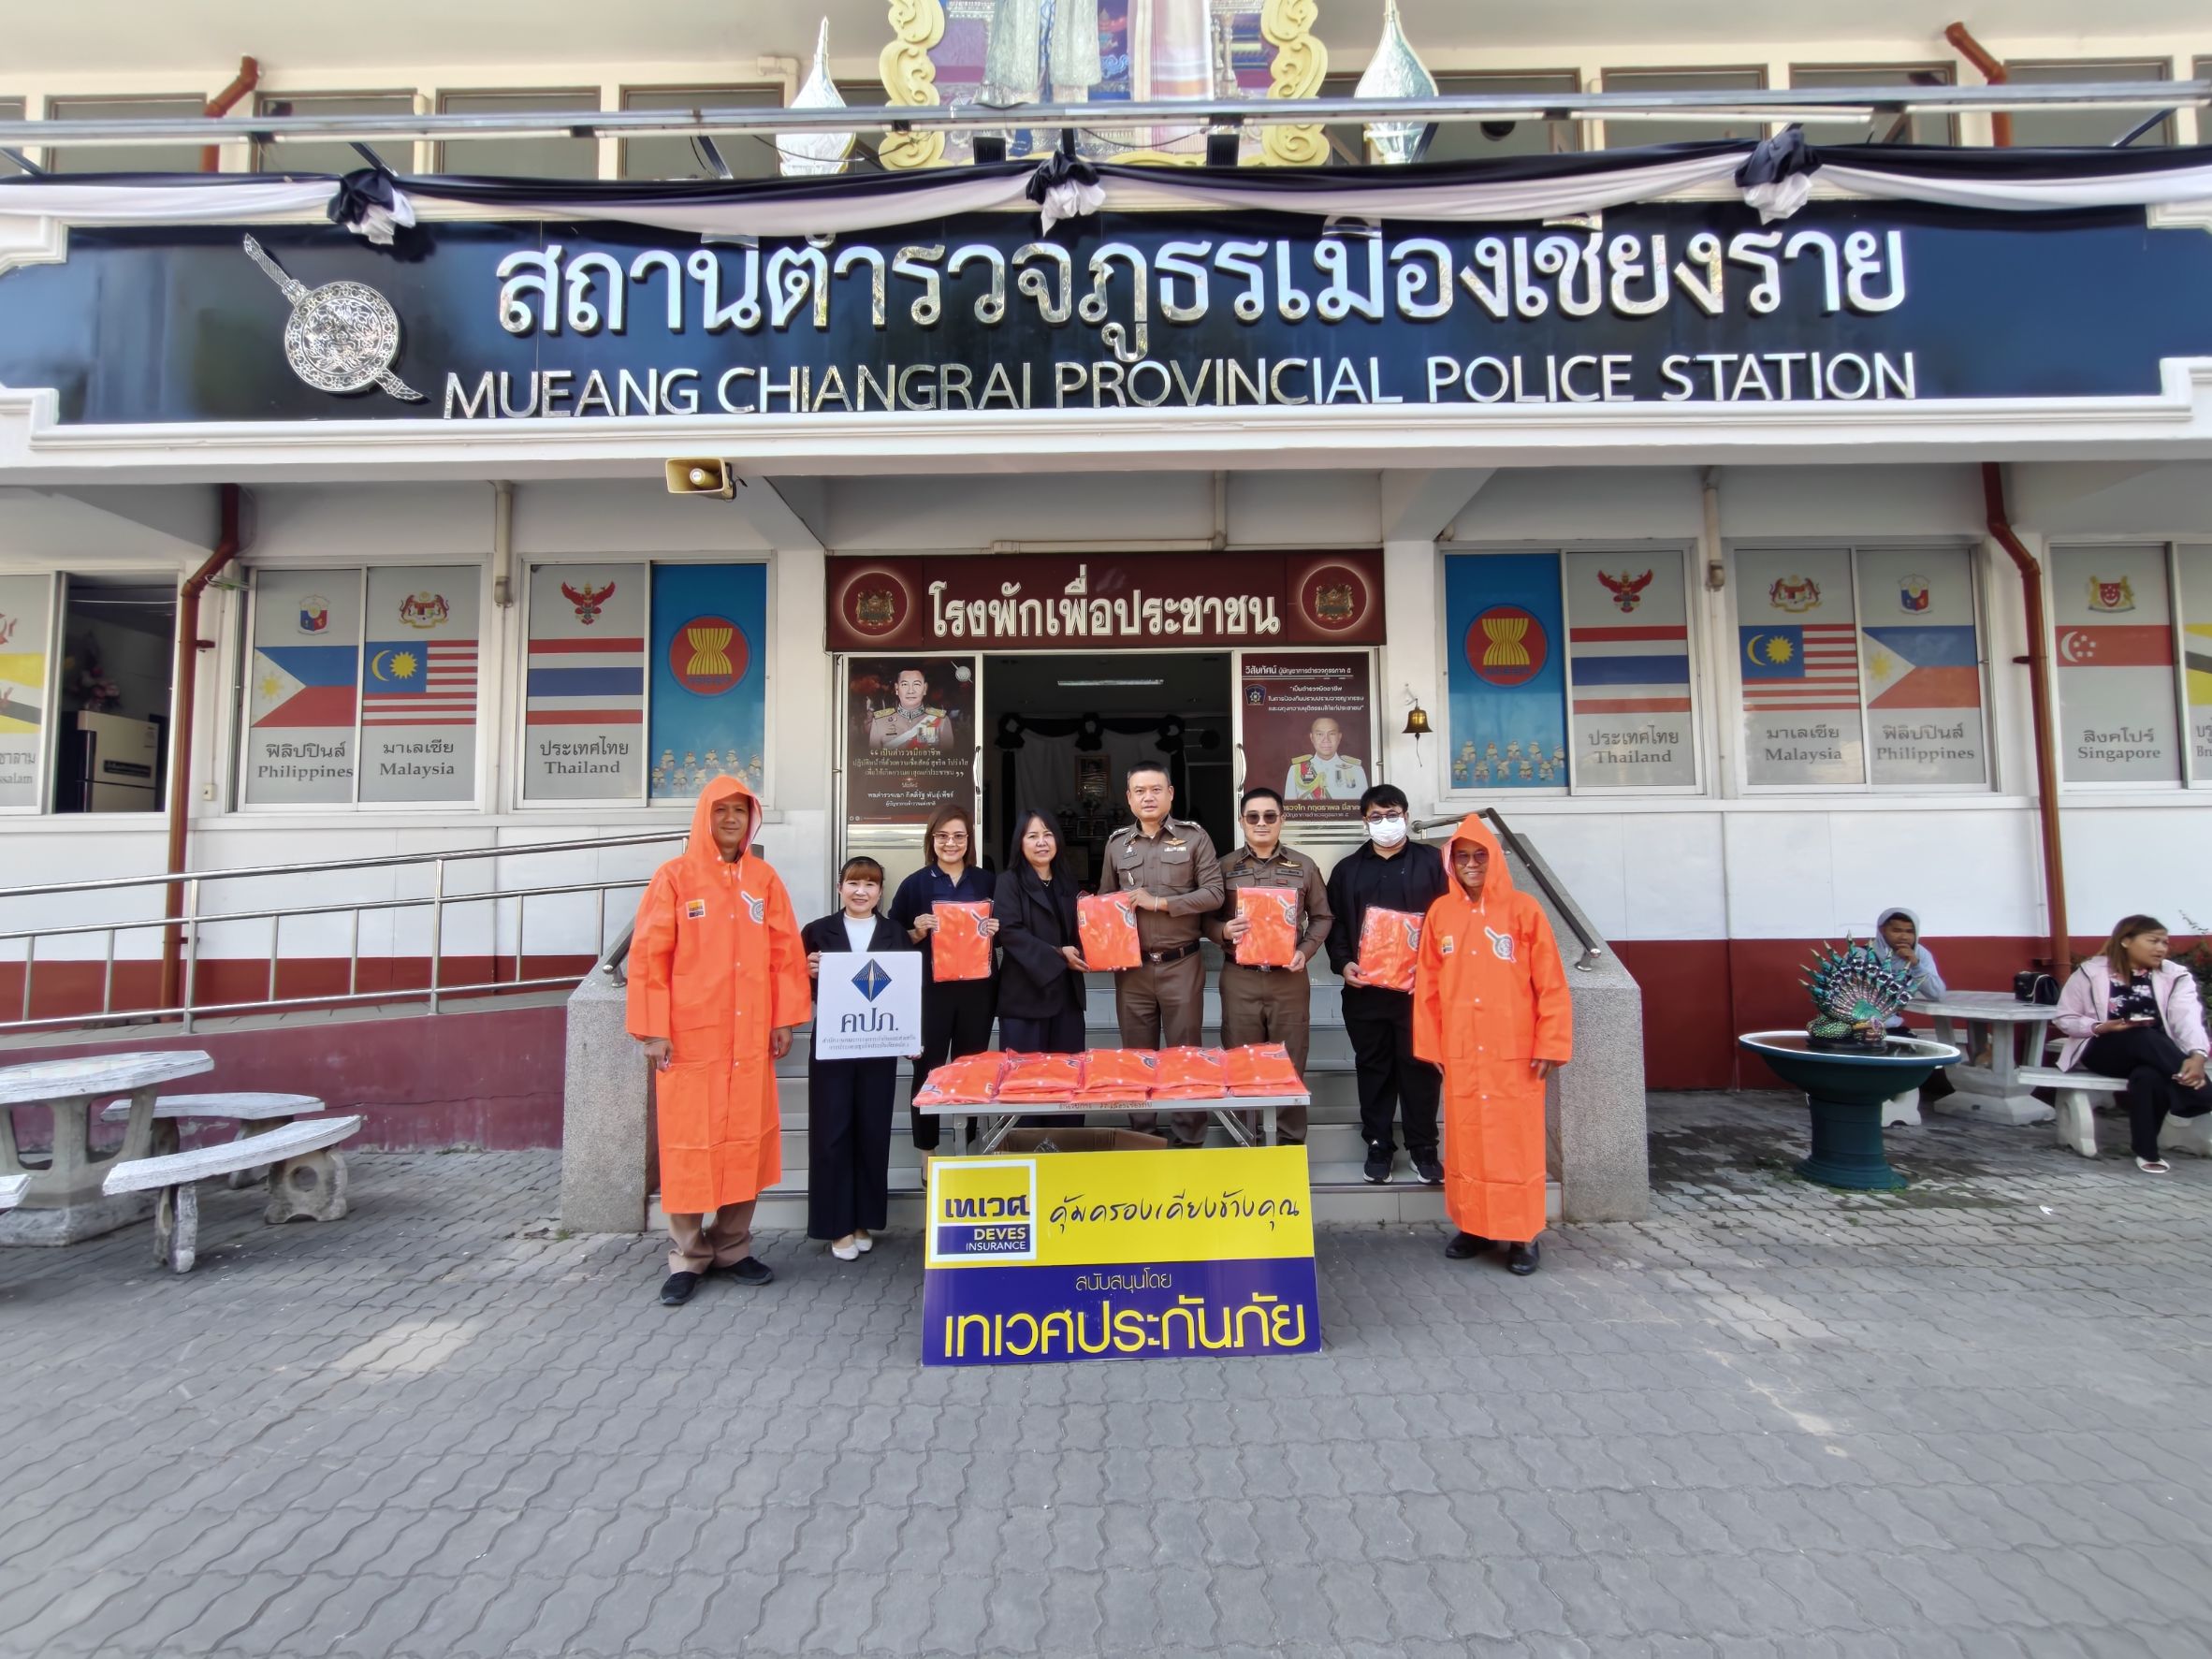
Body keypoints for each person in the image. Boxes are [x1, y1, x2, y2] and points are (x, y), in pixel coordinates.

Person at [626, 775, 809, 1308]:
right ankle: (688, 1255)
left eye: (740, 810)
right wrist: (654, 1029)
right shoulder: (675, 877)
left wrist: (783, 1018)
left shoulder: (764, 879)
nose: (731, 819)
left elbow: (785, 953)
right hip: (690, 1042)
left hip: (748, 1040)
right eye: (721, 809)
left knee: (745, 1141)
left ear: (751, 820)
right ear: (704, 816)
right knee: (689, 1145)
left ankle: (732, 1247)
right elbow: (649, 957)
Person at [1414, 814, 1573, 1276]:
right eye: (1462, 856)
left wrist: (1551, 1042)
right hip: (1463, 1052)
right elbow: (1428, 987)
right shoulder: (1441, 913)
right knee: (1467, 1142)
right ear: (1450, 862)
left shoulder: (1524, 910)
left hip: (1514, 1054)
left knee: (1515, 1143)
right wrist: (1433, 1046)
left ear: (1495, 859)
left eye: (1479, 855)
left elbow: (1550, 983)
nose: (1471, 864)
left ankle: (1523, 1234)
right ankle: (1474, 1226)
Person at [1325, 782, 1448, 1185]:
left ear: (1406, 816)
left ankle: (1423, 1147)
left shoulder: (1433, 863)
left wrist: (1433, 971)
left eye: (1392, 814)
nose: (1385, 822)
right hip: (1366, 991)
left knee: (1421, 1068)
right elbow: (1335, 924)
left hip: (1420, 992)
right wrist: (1343, 963)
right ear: (1364, 821)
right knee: (1373, 1068)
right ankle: (1378, 1144)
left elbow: (1450, 923)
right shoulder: (1347, 871)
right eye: (1376, 816)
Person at [1101, 761, 1224, 1146]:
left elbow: (1215, 893)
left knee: (1185, 1053)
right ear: (1129, 798)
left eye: (1156, 789)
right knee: (1135, 1055)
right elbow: (1106, 903)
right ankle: (1144, 1137)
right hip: (1133, 968)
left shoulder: (1195, 838)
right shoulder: (1117, 845)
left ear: (1171, 793)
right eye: (1140, 791)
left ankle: (1189, 1137)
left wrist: (1160, 903)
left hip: (1181, 963)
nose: (1148, 797)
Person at [1204, 785, 1332, 1145]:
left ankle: (1289, 1143)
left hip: (1288, 979)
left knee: (1290, 1060)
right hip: (1240, 977)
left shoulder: (1304, 866)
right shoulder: (1223, 867)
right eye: (1253, 816)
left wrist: (1305, 951)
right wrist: (1222, 931)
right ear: (1241, 821)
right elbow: (1203, 919)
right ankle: (1247, 1140)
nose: (1261, 823)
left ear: (1282, 820)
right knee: (1241, 1061)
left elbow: (1322, 916)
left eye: (1270, 816)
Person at [801, 858, 910, 1261]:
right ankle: (837, 1225)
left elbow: (906, 988)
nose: (861, 891)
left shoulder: (894, 932)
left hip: (879, 1044)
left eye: (870, 884)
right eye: (853, 883)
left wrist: (911, 1035)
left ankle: (863, 1219)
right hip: (833, 1043)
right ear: (839, 888)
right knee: (831, 1133)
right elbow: (797, 984)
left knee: (872, 1131)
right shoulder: (817, 931)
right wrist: (808, 972)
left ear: (881, 892)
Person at [2054, 915, 2210, 1173]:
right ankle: (2203, 1094)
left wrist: (2197, 1055)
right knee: (2141, 1036)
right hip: (2103, 1049)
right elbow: (2065, 1018)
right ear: (2126, 941)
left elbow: (2188, 1018)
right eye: (2153, 941)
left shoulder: (2175, 975)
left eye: (2165, 942)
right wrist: (2102, 1026)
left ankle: (2146, 1151)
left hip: (2157, 1054)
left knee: (2148, 1075)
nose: (2161, 948)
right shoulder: (2090, 973)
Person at [887, 801, 999, 1153]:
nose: (951, 843)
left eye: (959, 836)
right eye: (943, 836)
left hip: (977, 991)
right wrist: (917, 931)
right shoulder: (915, 884)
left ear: (969, 840)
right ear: (931, 840)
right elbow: (892, 938)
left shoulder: (987, 881)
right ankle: (928, 1153)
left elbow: (1008, 931)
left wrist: (995, 930)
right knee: (928, 1070)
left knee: (971, 1069)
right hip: (930, 992)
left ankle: (967, 1147)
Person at [995, 809, 1088, 1055]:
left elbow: (1082, 928)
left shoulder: (1067, 882)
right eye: (1032, 836)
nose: (1041, 842)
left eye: (1047, 835)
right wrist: (1058, 954)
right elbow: (1010, 932)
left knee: (1068, 1071)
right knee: (1025, 1074)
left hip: (1067, 999)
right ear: (1020, 843)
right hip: (1025, 999)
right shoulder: (1008, 882)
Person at [1876, 906, 1954, 1110]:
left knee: (1919, 1057)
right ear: (1882, 930)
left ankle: (1901, 1106)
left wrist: (1916, 964)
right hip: (1856, 1026)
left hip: (1892, 1027)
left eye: (1909, 931)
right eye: (1896, 930)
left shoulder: (1920, 954)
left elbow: (1937, 993)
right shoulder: (1862, 954)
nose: (1903, 936)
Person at [867, 665, 955, 751]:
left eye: (916, 684)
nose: (911, 691)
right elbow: (874, 758)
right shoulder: (879, 721)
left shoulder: (941, 721)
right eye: (905, 684)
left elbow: (948, 758)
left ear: (925, 689)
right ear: (897, 689)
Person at [1283, 717, 1368, 804]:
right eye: (1320, 734)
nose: (1326, 740)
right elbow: (1290, 809)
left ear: (1339, 737)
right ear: (1312, 738)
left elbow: (1365, 808)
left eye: (1332, 734)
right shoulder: (1296, 770)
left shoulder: (1356, 770)